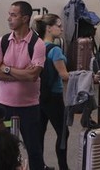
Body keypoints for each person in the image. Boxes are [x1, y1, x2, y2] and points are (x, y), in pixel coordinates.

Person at [0, 1, 46, 170]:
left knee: (34, 151)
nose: (9, 19)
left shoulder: (37, 44)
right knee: (2, 151)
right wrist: (19, 74)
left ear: (25, 18)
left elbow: (33, 75)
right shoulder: (3, 41)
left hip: (29, 108)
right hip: (3, 106)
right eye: (9, 14)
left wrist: (5, 69)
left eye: (13, 15)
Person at [35, 14, 70, 170]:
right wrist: (86, 77)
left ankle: (39, 165)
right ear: (49, 28)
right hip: (54, 96)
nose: (61, 29)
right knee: (63, 133)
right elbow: (64, 76)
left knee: (40, 132)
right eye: (59, 25)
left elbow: (34, 21)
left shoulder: (37, 45)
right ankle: (63, 166)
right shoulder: (55, 50)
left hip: (39, 95)